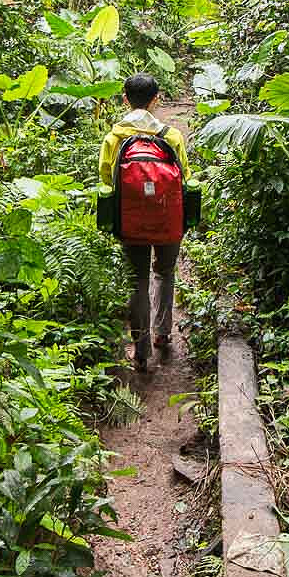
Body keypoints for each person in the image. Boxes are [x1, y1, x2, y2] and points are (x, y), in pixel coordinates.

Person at [99, 73, 190, 373]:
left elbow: (106, 182)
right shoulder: (172, 136)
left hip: (130, 220)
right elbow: (185, 181)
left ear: (125, 99)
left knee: (136, 279)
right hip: (168, 219)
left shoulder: (114, 138)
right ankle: (163, 333)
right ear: (156, 99)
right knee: (164, 272)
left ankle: (140, 350)